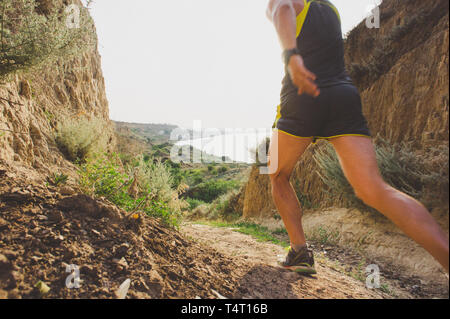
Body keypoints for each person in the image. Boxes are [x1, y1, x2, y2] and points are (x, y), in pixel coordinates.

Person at [266, 0, 449, 275]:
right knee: (375, 189)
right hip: (343, 96)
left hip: (302, 96)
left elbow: (281, 8)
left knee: (278, 174)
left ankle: (299, 251)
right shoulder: (331, 9)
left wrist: (291, 56)